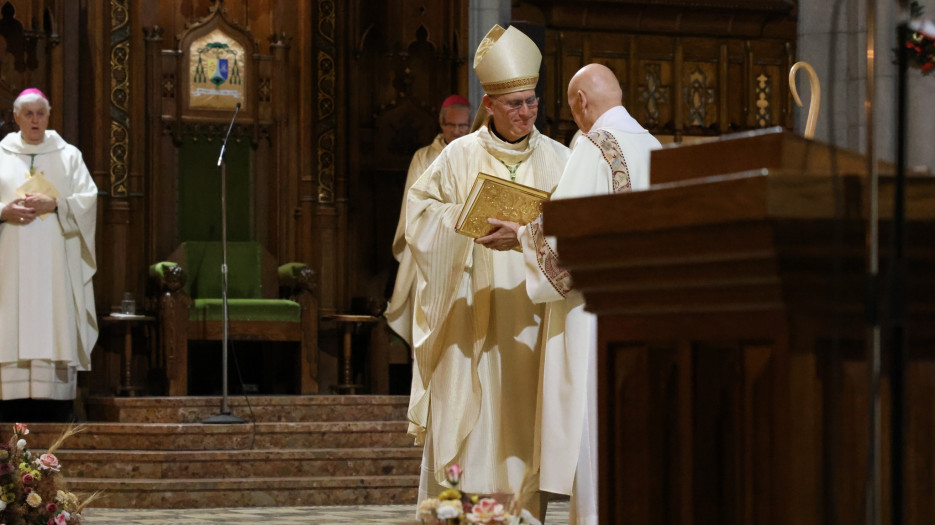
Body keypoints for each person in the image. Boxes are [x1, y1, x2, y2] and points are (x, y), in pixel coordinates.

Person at [405, 25, 569, 516]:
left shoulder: (561, 160)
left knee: (521, 424)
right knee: (470, 425)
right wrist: (464, 221)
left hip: (530, 320)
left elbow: (578, 233)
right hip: (467, 314)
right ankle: (462, 510)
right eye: (515, 103)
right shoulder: (457, 156)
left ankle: (518, 514)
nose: (525, 112)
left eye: (531, 101)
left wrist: (530, 234)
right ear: (490, 104)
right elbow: (419, 215)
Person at [492, 63, 662, 524]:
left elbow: (566, 240)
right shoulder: (656, 147)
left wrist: (522, 236)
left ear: (582, 103)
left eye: (574, 111)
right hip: (648, 316)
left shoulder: (595, 146)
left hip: (595, 317)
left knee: (593, 434)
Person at [0, 88, 98, 422]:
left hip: (55, 258)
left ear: (49, 116)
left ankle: (54, 403)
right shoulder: (1, 153)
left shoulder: (68, 155)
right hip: (9, 257)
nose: (35, 120)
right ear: (15, 118)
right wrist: (3, 211)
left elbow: (88, 198)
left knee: (52, 316)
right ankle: (8, 402)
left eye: (40, 113)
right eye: (27, 113)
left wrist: (55, 204)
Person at [386, 94, 471, 348]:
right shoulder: (423, 158)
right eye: (451, 126)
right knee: (426, 326)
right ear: (441, 124)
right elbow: (413, 207)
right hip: (428, 248)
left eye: (462, 126)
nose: (456, 132)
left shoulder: (476, 154)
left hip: (466, 246)